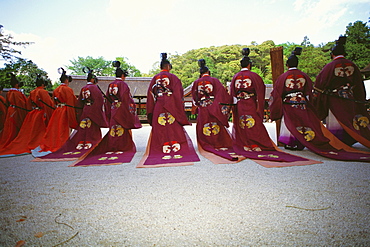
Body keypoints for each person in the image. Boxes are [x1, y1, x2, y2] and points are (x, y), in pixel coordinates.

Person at [269, 47, 370, 162]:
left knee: (290, 123)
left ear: (287, 65)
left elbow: (277, 93)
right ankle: (348, 139)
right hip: (343, 98)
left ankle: (292, 143)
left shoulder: (283, 77)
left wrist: (276, 106)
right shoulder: (305, 75)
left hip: (295, 102)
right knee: (345, 119)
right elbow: (312, 91)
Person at [230, 48, 310, 163]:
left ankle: (244, 144)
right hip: (252, 103)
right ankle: (258, 143)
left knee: (242, 124)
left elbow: (232, 94)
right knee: (254, 125)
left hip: (240, 104)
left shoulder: (235, 77)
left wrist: (234, 107)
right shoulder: (255, 76)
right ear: (250, 65)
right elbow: (261, 91)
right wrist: (260, 106)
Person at [70, 61, 141, 166]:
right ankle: (122, 146)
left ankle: (113, 145)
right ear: (122, 75)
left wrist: (108, 111)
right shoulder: (123, 84)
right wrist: (131, 107)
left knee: (113, 128)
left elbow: (106, 99)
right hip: (121, 109)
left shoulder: (111, 85)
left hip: (112, 108)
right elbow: (126, 99)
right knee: (121, 127)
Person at [137, 53, 199, 167]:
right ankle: (176, 147)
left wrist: (150, 111)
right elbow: (179, 95)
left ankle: (161, 148)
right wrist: (178, 109)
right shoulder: (174, 78)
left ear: (161, 67)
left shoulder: (154, 79)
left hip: (158, 106)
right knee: (174, 128)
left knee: (160, 128)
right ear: (168, 67)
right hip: (172, 106)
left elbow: (150, 96)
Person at [34, 67, 108, 161]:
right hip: (74, 110)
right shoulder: (91, 88)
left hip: (60, 110)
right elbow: (98, 100)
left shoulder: (79, 88)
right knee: (70, 129)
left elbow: (78, 102)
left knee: (59, 129)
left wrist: (80, 111)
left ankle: (61, 143)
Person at [313, 36, 370, 148]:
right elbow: (359, 85)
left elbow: (320, 84)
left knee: (337, 120)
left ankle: (337, 140)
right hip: (350, 97)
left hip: (335, 98)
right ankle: (351, 138)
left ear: (332, 54)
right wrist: (360, 100)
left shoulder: (329, 66)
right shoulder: (353, 65)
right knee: (350, 117)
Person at [191, 59, 238, 162]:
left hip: (203, 107)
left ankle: (207, 143)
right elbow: (222, 95)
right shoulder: (215, 81)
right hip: (214, 107)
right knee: (216, 125)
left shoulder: (196, 82)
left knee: (204, 125)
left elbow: (194, 98)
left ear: (200, 73)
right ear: (209, 72)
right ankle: (218, 143)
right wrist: (230, 101)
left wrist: (195, 108)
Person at [0, 75, 54, 157]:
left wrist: (29, 111)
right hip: (40, 112)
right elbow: (48, 104)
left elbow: (28, 104)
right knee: (39, 131)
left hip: (33, 113)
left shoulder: (31, 92)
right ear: (43, 84)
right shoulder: (43, 92)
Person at [32, 68, 78, 155]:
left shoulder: (56, 89)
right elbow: (72, 102)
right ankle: (64, 144)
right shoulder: (68, 89)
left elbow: (52, 102)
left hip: (58, 110)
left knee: (58, 128)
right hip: (65, 110)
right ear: (67, 80)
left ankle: (56, 142)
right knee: (64, 128)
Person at [0, 73, 28, 149]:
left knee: (9, 127)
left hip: (10, 110)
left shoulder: (9, 93)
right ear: (16, 85)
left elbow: (6, 103)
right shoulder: (17, 93)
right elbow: (22, 104)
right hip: (17, 111)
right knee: (15, 127)